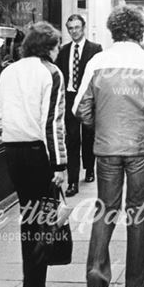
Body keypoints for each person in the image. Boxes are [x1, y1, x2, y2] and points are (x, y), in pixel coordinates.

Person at [75, 6, 144, 287]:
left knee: (106, 208)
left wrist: (100, 124)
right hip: (140, 148)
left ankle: (97, 270)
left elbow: (80, 107)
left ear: (113, 30)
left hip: (106, 147)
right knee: (137, 210)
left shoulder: (97, 62)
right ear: (139, 31)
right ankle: (134, 280)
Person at [0, 21, 67, 287]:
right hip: (39, 154)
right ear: (48, 46)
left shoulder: (10, 70)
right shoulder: (51, 73)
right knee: (40, 225)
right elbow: (53, 124)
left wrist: (14, 125)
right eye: (56, 45)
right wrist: (60, 166)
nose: (58, 51)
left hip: (12, 152)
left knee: (28, 221)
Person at [55, 15, 102, 194]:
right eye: (71, 28)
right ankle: (72, 181)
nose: (74, 31)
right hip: (68, 98)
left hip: (87, 99)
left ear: (83, 28)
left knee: (88, 136)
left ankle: (89, 168)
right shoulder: (63, 51)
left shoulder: (95, 49)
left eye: (77, 27)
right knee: (72, 139)